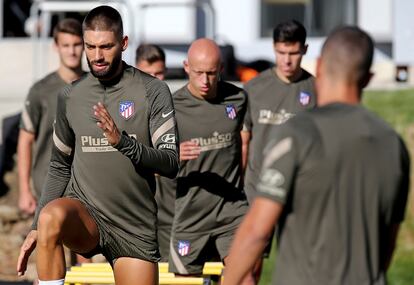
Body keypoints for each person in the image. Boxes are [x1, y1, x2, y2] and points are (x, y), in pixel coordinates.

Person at [224, 26, 410, 285]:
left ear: (319, 66)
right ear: (368, 78)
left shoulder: (296, 135)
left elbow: (256, 231)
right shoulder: (394, 145)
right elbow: (387, 245)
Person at [16, 5, 179, 285]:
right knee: (49, 218)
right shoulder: (70, 95)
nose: (97, 56)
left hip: (133, 225)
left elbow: (171, 163)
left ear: (124, 43)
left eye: (106, 46)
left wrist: (124, 143)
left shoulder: (152, 91)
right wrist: (35, 227)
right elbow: (59, 165)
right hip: (86, 216)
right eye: (90, 47)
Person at [166, 38, 251, 283]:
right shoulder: (171, 107)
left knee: (244, 278)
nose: (205, 81)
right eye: (199, 73)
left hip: (232, 211)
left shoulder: (238, 99)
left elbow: (246, 144)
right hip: (192, 213)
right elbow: (149, 165)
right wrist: (172, 156)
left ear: (221, 69)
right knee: (186, 280)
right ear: (186, 67)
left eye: (211, 74)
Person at [242, 19, 316, 203]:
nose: (287, 61)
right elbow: (242, 142)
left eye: (293, 53)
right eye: (281, 52)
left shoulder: (317, 90)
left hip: (299, 191)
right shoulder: (253, 88)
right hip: (256, 190)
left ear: (305, 50)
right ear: (274, 47)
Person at [18, 18, 85, 216]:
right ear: (56, 47)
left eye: (77, 44)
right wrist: (24, 190)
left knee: (83, 246)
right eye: (66, 45)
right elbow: (25, 140)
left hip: (87, 185)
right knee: (52, 243)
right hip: (48, 186)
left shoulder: (96, 87)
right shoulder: (40, 91)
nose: (72, 51)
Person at [134, 43, 172, 262]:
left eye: (159, 73)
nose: (155, 80)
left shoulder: (173, 108)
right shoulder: (126, 110)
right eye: (148, 74)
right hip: (135, 208)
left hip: (169, 211)